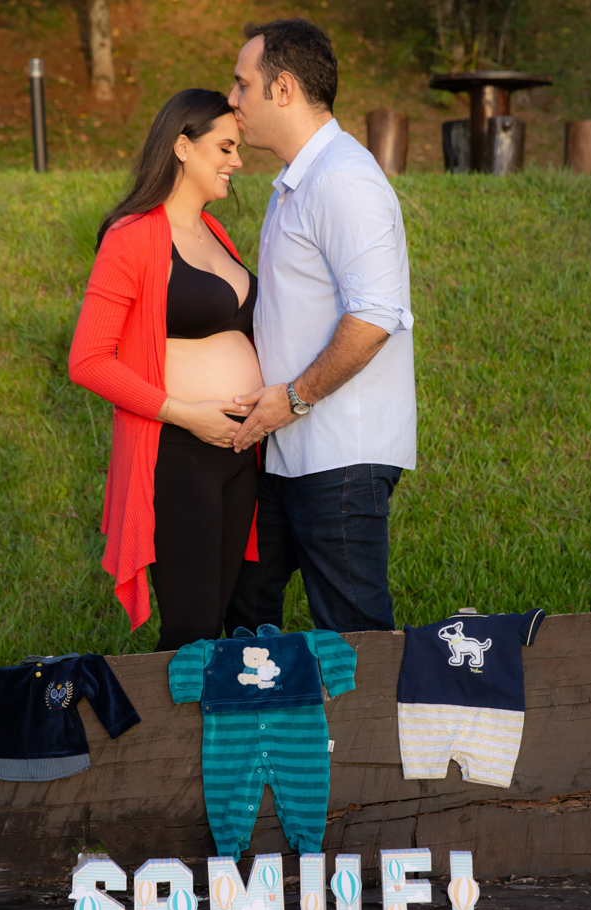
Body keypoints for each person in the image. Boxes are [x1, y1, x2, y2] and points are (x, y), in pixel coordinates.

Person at [225, 19, 416, 636]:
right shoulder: (297, 182)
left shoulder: (342, 177)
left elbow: (376, 314)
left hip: (340, 456)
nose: (232, 99)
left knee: (354, 635)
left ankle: (368, 712)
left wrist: (295, 397)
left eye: (242, 84)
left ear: (283, 88)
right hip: (286, 450)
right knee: (245, 613)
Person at [69, 89, 263, 651]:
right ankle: (161, 713)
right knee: (191, 631)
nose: (237, 161)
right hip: (180, 451)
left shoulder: (217, 234)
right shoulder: (131, 237)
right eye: (225, 147)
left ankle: (218, 712)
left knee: (225, 623)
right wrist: (185, 414)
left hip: (239, 452)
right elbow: (88, 359)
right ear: (182, 145)